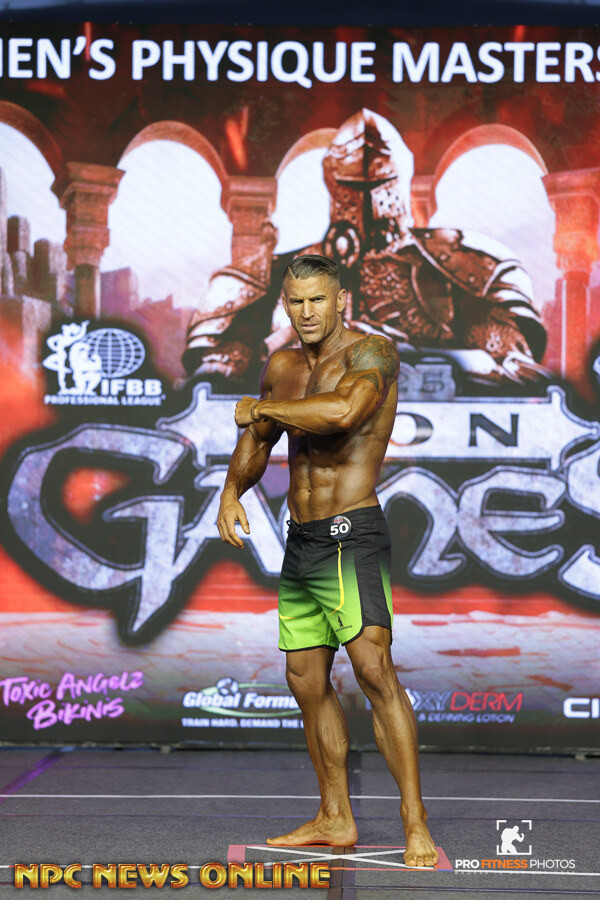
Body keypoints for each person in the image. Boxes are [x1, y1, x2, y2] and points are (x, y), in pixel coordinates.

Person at [217, 253, 439, 868]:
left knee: (374, 671)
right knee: (305, 680)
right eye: (296, 301)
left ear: (341, 300)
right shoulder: (283, 367)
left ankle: (415, 822)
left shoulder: (373, 354)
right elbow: (258, 441)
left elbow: (344, 412)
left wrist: (260, 409)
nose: (307, 312)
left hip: (352, 535)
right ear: (285, 305)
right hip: (303, 541)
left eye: (318, 299)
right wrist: (232, 490)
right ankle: (335, 815)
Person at [185, 108, 546, 389]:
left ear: (399, 179)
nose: (368, 201)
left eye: (380, 184)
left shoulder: (458, 265)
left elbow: (510, 363)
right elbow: (221, 371)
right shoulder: (280, 273)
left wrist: (410, 355)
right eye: (353, 188)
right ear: (333, 183)